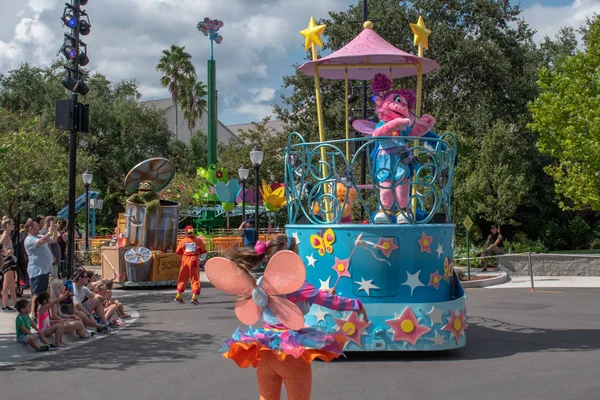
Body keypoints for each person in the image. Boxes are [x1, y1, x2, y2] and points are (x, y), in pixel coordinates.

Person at [205, 235, 368, 400]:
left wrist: (316, 294)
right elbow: (330, 301)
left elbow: (290, 300)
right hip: (291, 354)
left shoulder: (261, 282)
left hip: (266, 351)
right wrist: (357, 305)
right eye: (296, 253)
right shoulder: (298, 284)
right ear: (291, 256)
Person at [24, 218, 56, 307]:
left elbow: (53, 240)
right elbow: (41, 242)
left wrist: (54, 230)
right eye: (37, 226)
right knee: (37, 294)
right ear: (30, 228)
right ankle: (33, 313)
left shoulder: (38, 236)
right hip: (37, 271)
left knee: (43, 293)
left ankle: (40, 313)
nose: (39, 228)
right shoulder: (29, 239)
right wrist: (49, 232)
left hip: (44, 270)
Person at [174, 226, 206, 305]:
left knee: (182, 277)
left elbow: (178, 252)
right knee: (194, 278)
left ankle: (178, 295)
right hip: (194, 260)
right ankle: (194, 297)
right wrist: (201, 260)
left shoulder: (183, 241)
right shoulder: (198, 241)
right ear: (193, 232)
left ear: (185, 232)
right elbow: (203, 252)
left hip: (185, 260)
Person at [1, 217, 18, 311]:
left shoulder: (6, 234)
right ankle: (4, 305)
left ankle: (15, 304)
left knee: (11, 284)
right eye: (12, 224)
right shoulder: (5, 234)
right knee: (7, 284)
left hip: (9, 259)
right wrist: (6, 252)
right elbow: (0, 244)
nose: (13, 226)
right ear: (7, 225)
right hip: (7, 260)